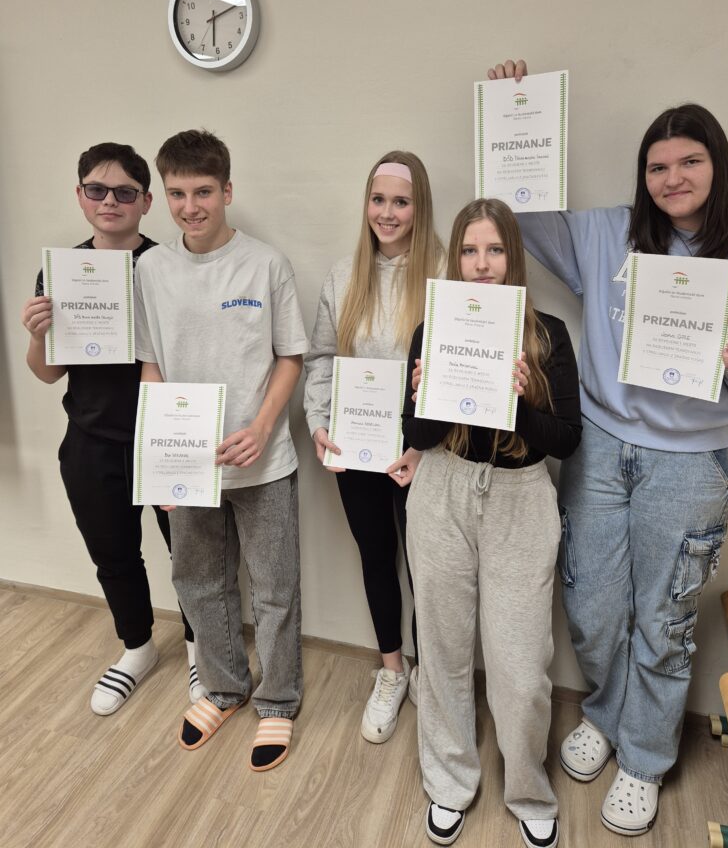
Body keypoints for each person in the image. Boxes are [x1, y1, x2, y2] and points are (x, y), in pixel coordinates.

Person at [489, 59, 728, 836]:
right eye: (657, 166)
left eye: (689, 162)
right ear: (642, 177)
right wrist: (515, 107)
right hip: (602, 449)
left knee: (664, 616)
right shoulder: (604, 233)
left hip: (692, 463)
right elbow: (519, 212)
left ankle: (644, 755)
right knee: (591, 602)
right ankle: (609, 715)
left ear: (717, 167)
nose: (673, 178)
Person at [403, 198, 581, 848]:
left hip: (520, 499)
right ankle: (449, 780)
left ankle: (528, 787)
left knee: (521, 664)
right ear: (456, 259)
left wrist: (521, 400)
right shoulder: (432, 329)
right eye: (470, 251)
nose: (482, 264)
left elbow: (567, 440)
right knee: (444, 649)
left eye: (496, 250)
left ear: (514, 256)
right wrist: (425, 393)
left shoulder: (548, 335)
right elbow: (417, 433)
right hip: (443, 489)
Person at [134, 129, 307, 772]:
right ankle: (225, 687)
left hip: (263, 461)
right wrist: (158, 458)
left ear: (227, 190)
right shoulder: (151, 270)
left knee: (275, 588)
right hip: (188, 466)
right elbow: (150, 364)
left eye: (203, 191)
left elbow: (290, 357)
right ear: (163, 196)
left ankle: (278, 700)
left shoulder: (266, 263)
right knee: (198, 582)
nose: (190, 207)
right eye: (177, 194)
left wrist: (261, 427)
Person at [20, 142, 201, 716]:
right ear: (80, 196)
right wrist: (36, 335)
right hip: (91, 442)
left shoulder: (171, 266)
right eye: (97, 190)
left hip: (165, 439)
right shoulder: (61, 272)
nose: (110, 201)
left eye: (125, 192)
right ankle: (138, 647)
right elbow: (48, 373)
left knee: (192, 557)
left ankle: (201, 649)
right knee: (114, 555)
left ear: (146, 202)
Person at [304, 152, 444, 743]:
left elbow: (460, 370)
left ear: (420, 207)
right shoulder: (344, 276)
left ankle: (436, 676)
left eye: (401, 202)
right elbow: (321, 358)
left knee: (429, 567)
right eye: (378, 199)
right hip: (357, 447)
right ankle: (393, 670)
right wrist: (318, 420)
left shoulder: (445, 272)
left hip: (425, 452)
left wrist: (423, 447)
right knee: (376, 555)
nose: (387, 213)